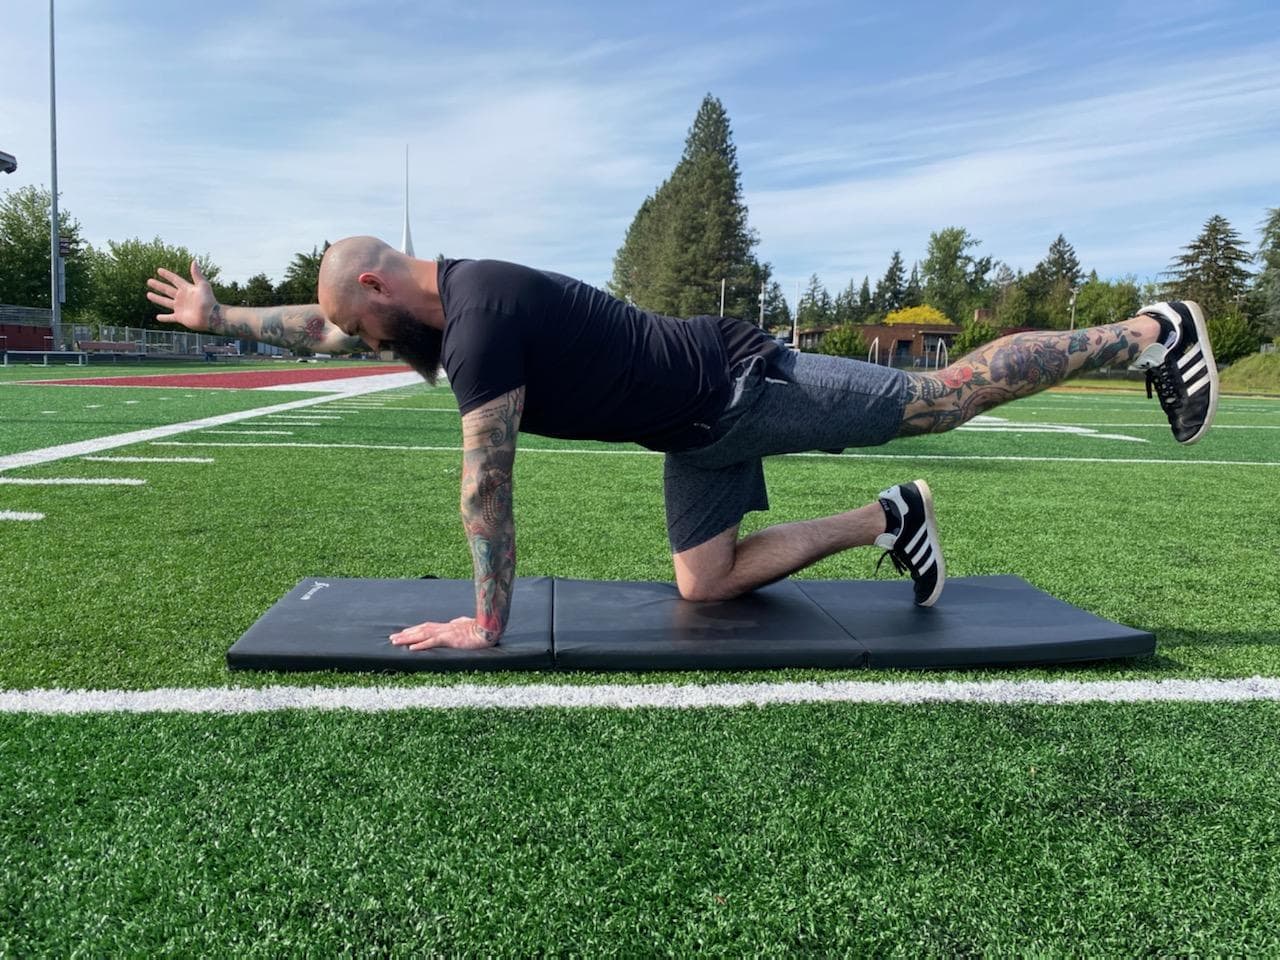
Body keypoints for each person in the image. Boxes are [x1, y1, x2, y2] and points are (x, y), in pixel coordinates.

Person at [146, 237, 1219, 651]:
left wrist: (486, 623)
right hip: (687, 435)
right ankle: (890, 518)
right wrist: (222, 317)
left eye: (365, 324)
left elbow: (487, 484)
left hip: (746, 383)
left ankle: (1143, 333)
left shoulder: (478, 326)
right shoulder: (440, 300)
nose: (363, 343)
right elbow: (322, 322)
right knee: (704, 585)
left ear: (382, 285)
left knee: (937, 395)